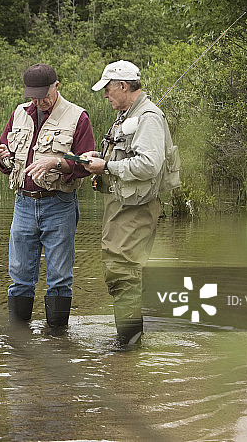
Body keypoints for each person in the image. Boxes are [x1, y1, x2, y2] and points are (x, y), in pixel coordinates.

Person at [83, 60, 180, 347]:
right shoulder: (127, 115)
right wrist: (98, 160)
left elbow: (149, 165)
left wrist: (107, 167)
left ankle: (128, 344)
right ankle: (128, 342)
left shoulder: (149, 117)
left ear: (123, 86)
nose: (105, 95)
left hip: (136, 207)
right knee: (120, 268)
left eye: (108, 89)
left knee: (123, 270)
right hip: (123, 204)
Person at [0, 63, 95, 333]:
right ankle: (18, 341)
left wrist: (57, 163)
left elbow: (86, 163)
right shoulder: (18, 115)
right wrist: (2, 159)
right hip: (23, 204)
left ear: (56, 86)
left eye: (43, 95)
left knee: (60, 278)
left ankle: (58, 342)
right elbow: (7, 164)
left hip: (59, 205)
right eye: (33, 96)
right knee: (19, 278)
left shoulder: (78, 117)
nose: (39, 101)